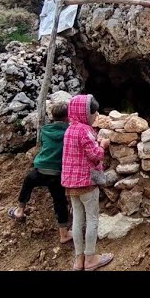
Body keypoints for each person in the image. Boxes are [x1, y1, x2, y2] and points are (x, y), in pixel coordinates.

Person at [61, 94, 114, 271]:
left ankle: (79, 260)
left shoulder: (69, 130)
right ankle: (91, 258)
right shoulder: (85, 130)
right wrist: (103, 145)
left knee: (77, 219)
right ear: (84, 113)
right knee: (92, 219)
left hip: (71, 184)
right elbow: (95, 155)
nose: (95, 115)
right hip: (86, 183)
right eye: (93, 112)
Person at [8, 101, 72, 245]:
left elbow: (44, 145)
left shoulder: (44, 130)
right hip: (56, 173)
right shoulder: (69, 132)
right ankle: (64, 234)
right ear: (68, 117)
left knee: (27, 183)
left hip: (40, 169)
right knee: (60, 201)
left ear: (52, 116)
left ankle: (19, 211)